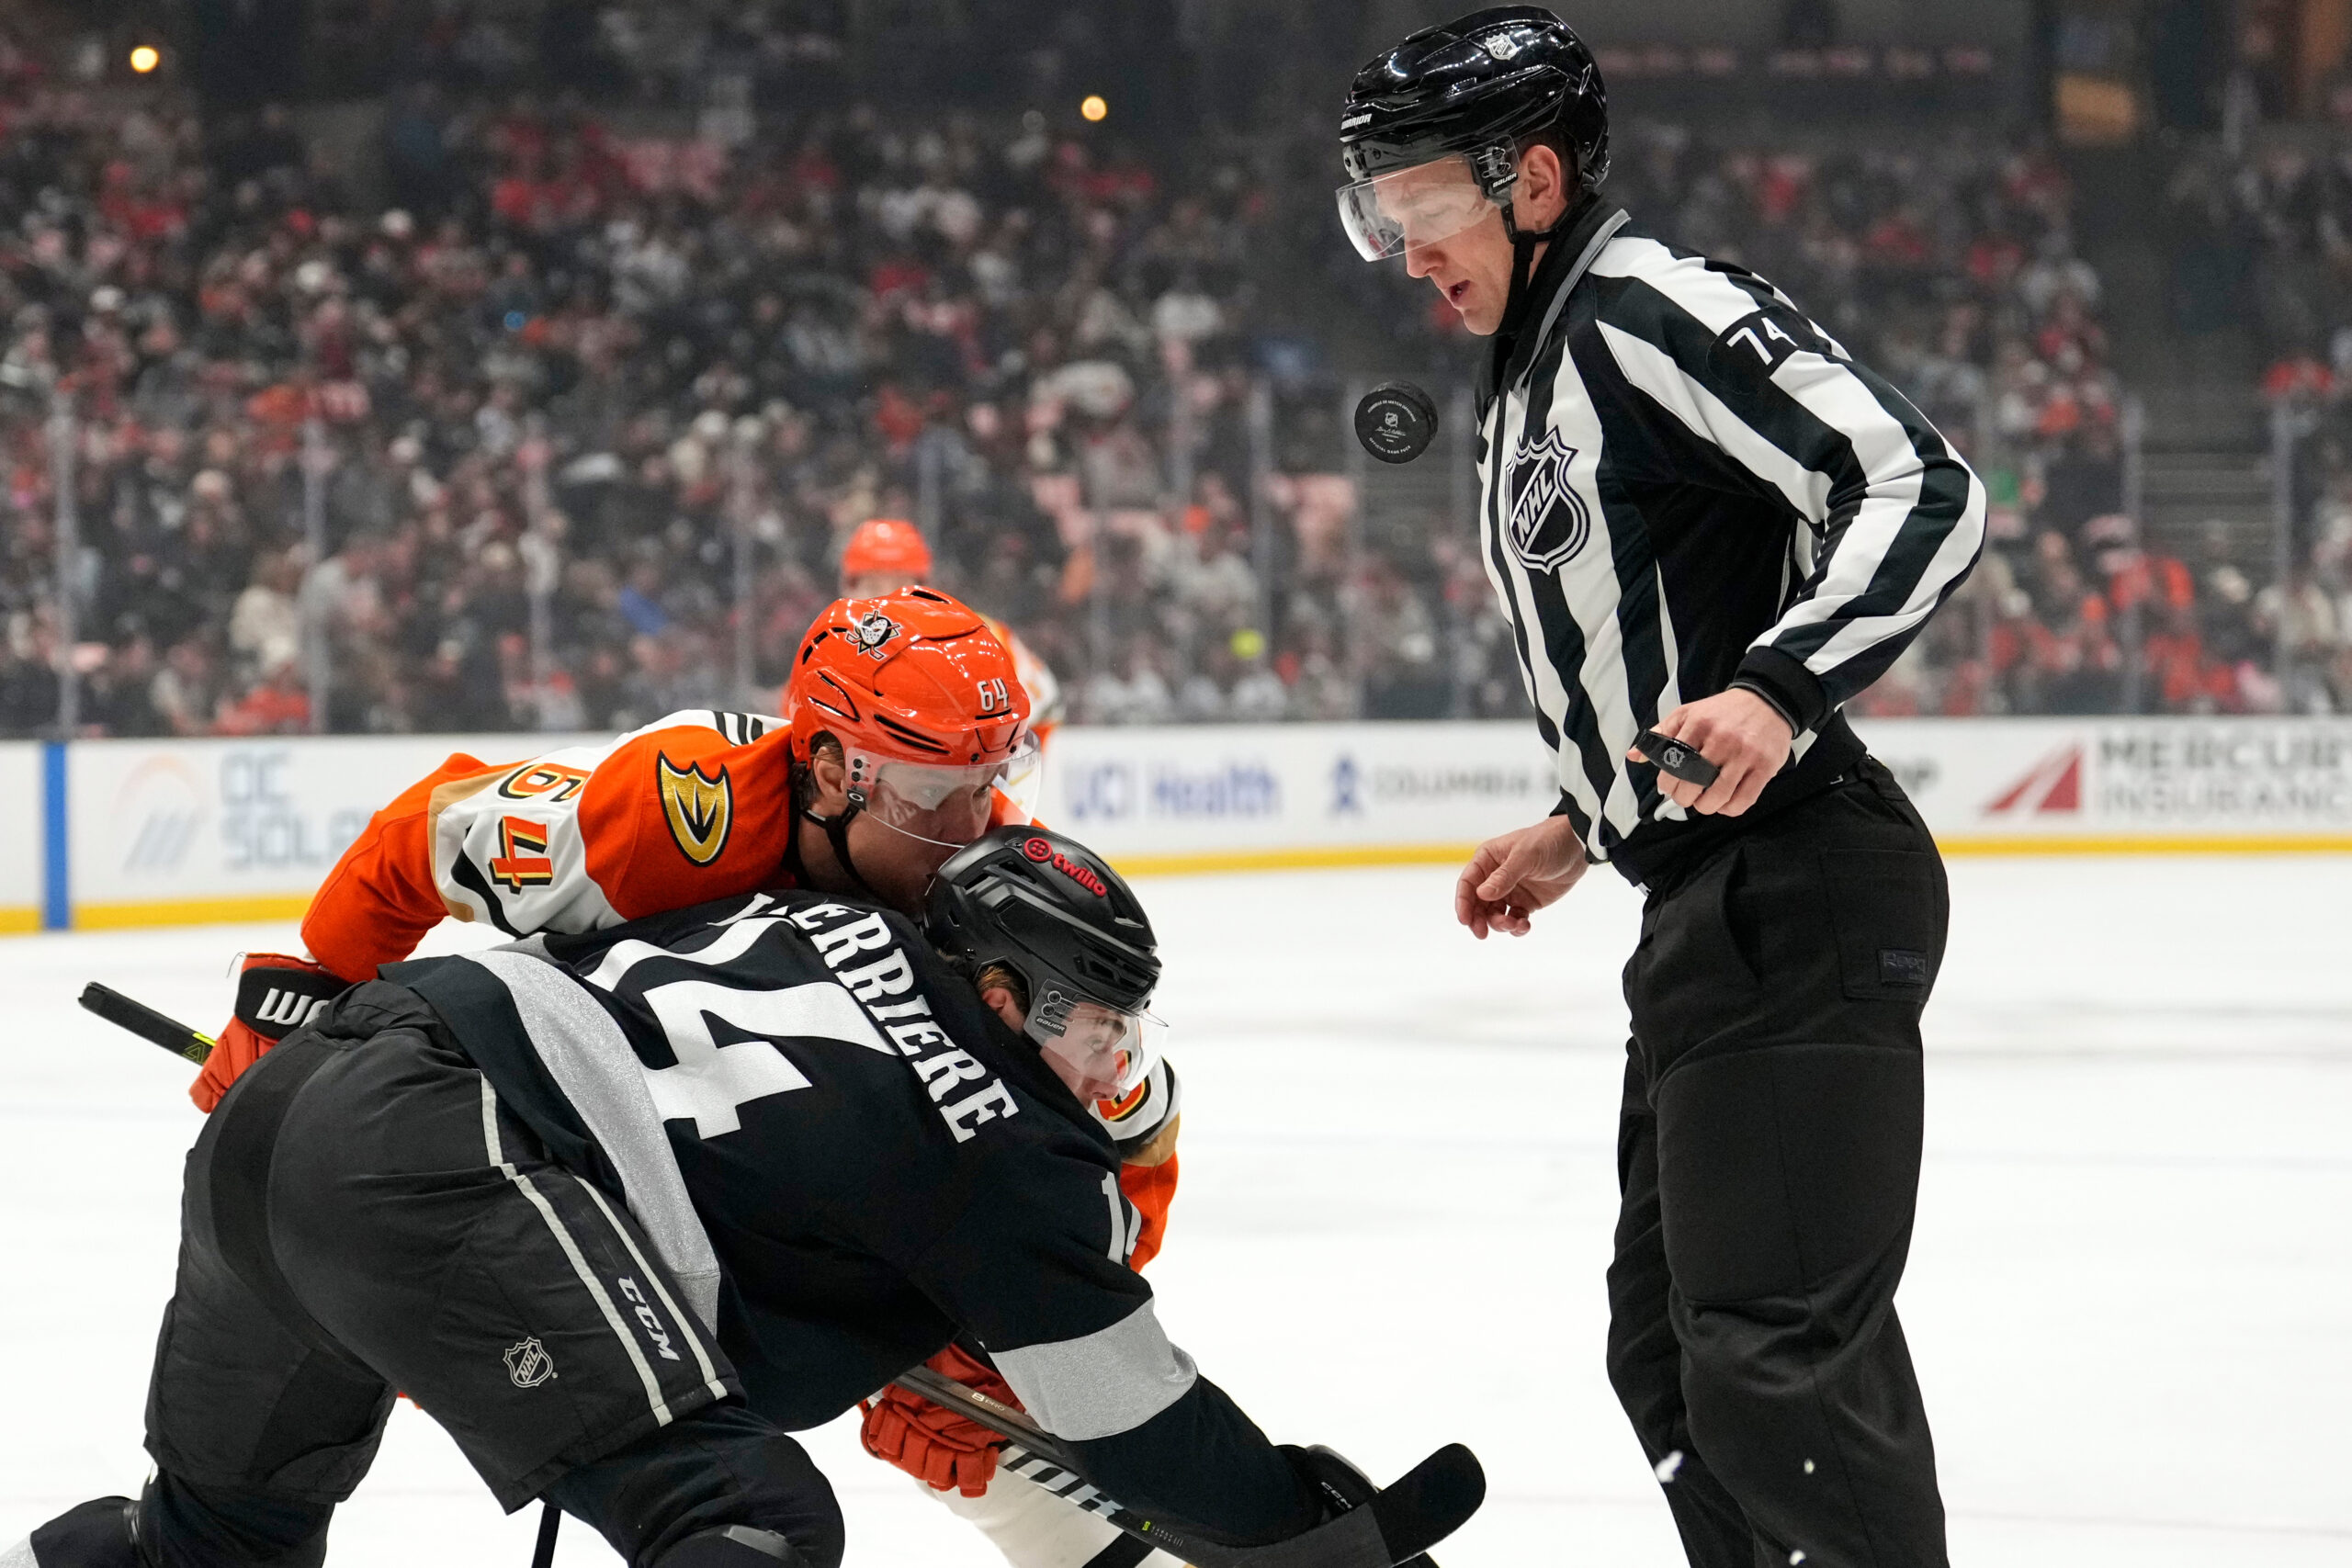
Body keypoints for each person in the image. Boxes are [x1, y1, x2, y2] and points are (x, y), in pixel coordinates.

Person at [6, 827, 1479, 1568]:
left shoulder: (818, 908)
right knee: (748, 1517)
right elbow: (1133, 1413)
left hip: (294, 1101)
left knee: (211, 1545)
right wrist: (1308, 1534)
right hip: (449, 1156)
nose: (1106, 1063)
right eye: (1097, 1021)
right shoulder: (1012, 1141)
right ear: (1003, 983)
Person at [1337, 10, 1985, 1568]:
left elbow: (1916, 483)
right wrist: (1585, 817)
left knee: (1771, 1357)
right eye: (1383, 212)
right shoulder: (1532, 366)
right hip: (1705, 895)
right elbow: (1663, 619)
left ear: (1536, 176)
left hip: (1799, 881)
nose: (1405, 246)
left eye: (1425, 203)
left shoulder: (1640, 305)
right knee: (1676, 1359)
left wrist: (1778, 685)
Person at [182, 585, 1187, 1566]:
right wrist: (306, 992)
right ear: (831, 771)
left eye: (997, 776)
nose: (977, 826)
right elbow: (427, 834)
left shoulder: (985, 890)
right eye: (932, 793)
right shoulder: (663, 818)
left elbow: (1109, 1132)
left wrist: (989, 1354)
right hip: (523, 1136)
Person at [836, 517, 1065, 750]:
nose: (885, 597)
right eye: (872, 586)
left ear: (923, 587)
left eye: (898, 584)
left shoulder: (974, 635)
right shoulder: (832, 647)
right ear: (849, 588)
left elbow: (1044, 705)